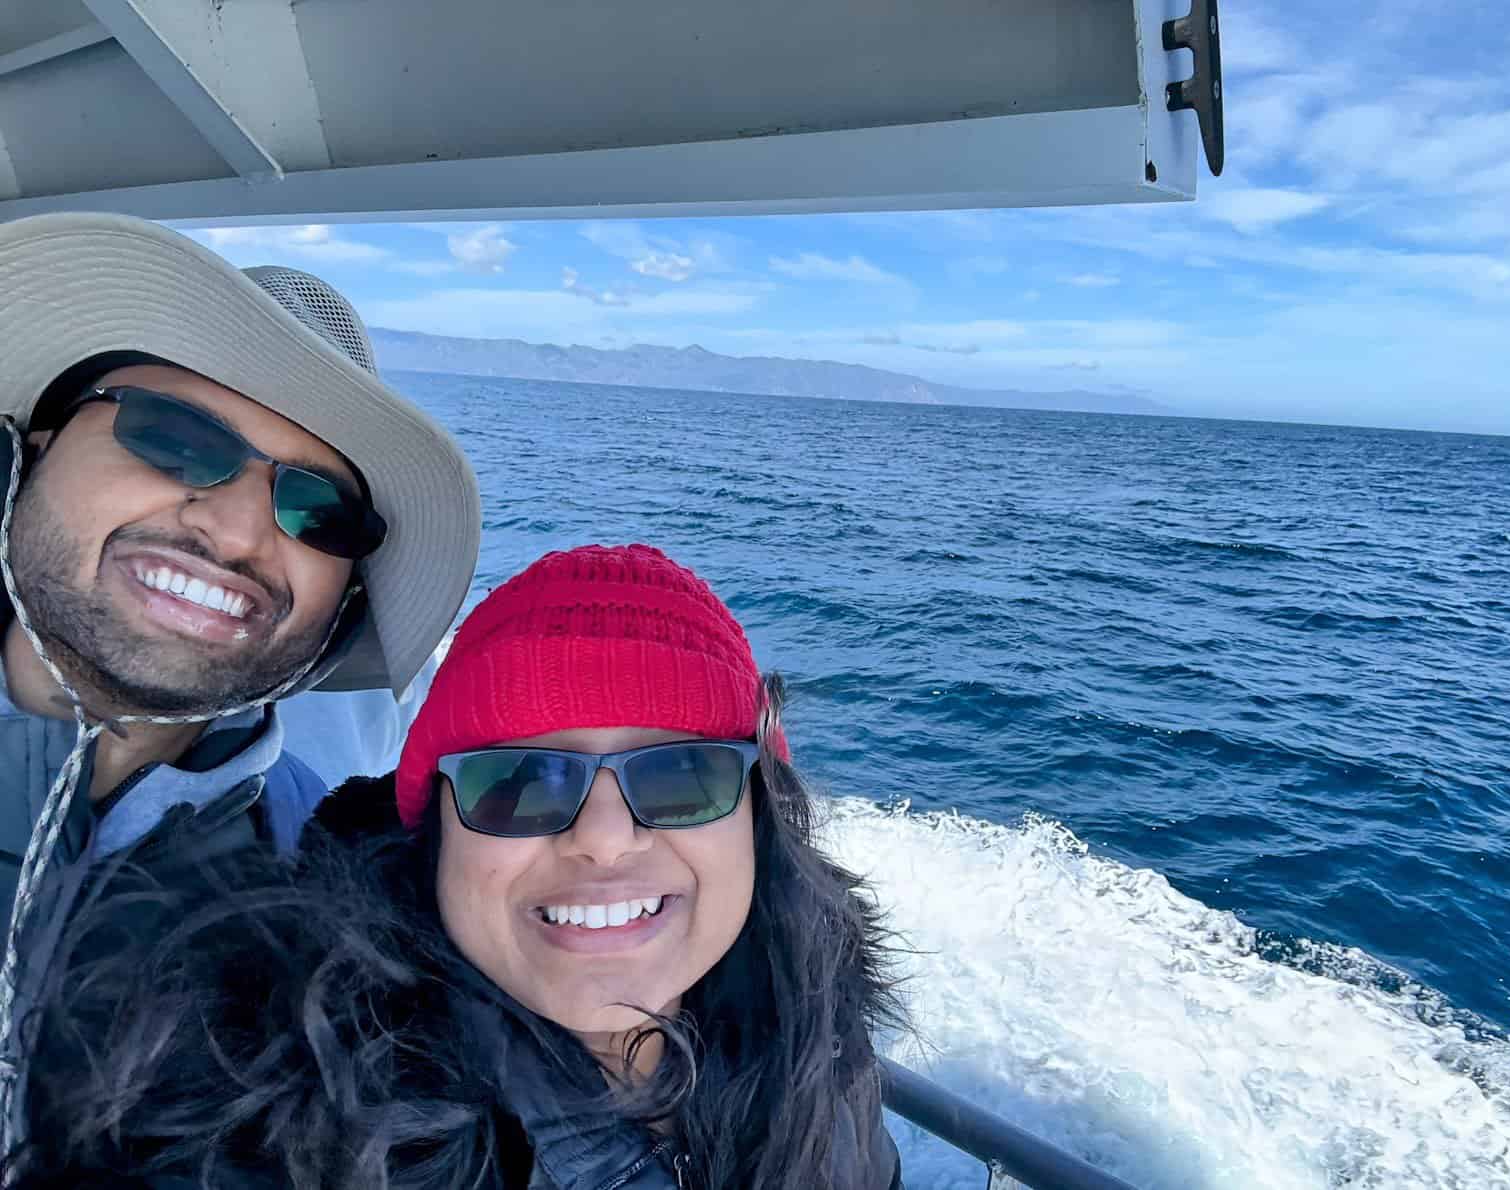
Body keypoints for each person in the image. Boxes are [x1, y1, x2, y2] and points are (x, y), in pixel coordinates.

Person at [9, 544, 906, 1189]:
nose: (603, 838)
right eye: (519, 783)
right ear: (433, 833)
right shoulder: (285, 1119)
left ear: (760, 814)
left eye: (681, 776)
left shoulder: (818, 1037)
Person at [0, 212, 480, 1149]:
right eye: (176, 439)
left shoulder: (333, 916)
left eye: (318, 509)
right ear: (37, 445)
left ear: (342, 602)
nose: (238, 532)